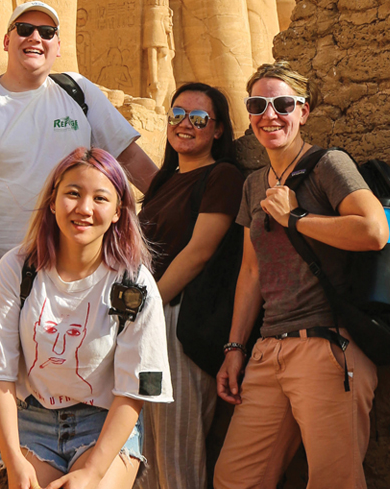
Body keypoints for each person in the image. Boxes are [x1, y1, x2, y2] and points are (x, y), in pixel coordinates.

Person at [0, 0, 159, 489]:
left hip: (80, 275)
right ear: (6, 39)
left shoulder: (78, 94)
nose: (34, 38)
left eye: (46, 31)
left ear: (59, 45)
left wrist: (179, 206)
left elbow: (129, 161)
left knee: (77, 375)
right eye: (24, 28)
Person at [214, 62, 389, 489]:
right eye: (258, 104)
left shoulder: (328, 164)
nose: (269, 115)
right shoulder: (254, 184)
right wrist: (236, 347)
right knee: (235, 479)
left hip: (326, 347)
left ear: (304, 111)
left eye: (282, 104)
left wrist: (297, 218)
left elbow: (374, 230)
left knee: (334, 482)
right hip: (269, 348)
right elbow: (252, 270)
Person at [0, 148, 172, 489]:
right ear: (52, 202)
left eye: (100, 198)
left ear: (117, 212)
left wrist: (92, 473)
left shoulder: (133, 283)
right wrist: (13, 461)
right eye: (72, 193)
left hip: (103, 421)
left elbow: (134, 390)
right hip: (31, 419)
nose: (84, 209)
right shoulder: (17, 269)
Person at [136, 83, 243, 489]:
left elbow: (199, 252)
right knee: (144, 448)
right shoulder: (165, 181)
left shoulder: (222, 176)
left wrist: (146, 307)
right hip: (148, 323)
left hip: (176, 324)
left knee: (176, 452)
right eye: (177, 115)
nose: (185, 125)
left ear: (217, 130)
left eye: (198, 119)